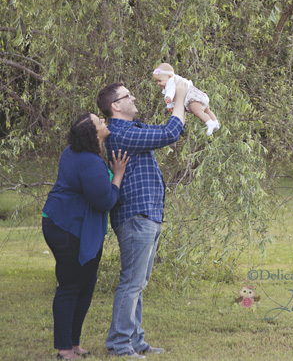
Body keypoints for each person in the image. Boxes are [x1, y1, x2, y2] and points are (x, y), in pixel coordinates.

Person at [97, 82, 187, 358]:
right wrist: (181, 97)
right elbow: (171, 132)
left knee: (139, 282)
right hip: (136, 215)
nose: (133, 98)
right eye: (127, 96)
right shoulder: (120, 133)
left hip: (146, 213)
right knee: (132, 282)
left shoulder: (131, 129)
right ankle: (120, 346)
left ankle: (136, 340)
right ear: (116, 106)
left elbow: (165, 131)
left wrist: (177, 104)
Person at [42, 113, 129, 360]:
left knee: (85, 285)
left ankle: (74, 343)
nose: (103, 120)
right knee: (70, 287)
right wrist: (118, 174)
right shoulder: (89, 162)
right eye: (98, 121)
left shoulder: (73, 151)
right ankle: (64, 350)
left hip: (67, 223)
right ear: (93, 134)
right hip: (67, 227)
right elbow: (105, 201)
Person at [152, 62, 220, 136]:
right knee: (207, 111)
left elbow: (170, 91)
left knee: (198, 112)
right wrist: (169, 105)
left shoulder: (171, 81)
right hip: (199, 96)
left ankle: (209, 123)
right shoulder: (177, 79)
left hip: (193, 99)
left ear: (169, 76)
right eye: (156, 81)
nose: (158, 83)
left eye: (159, 81)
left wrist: (168, 97)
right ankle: (216, 122)